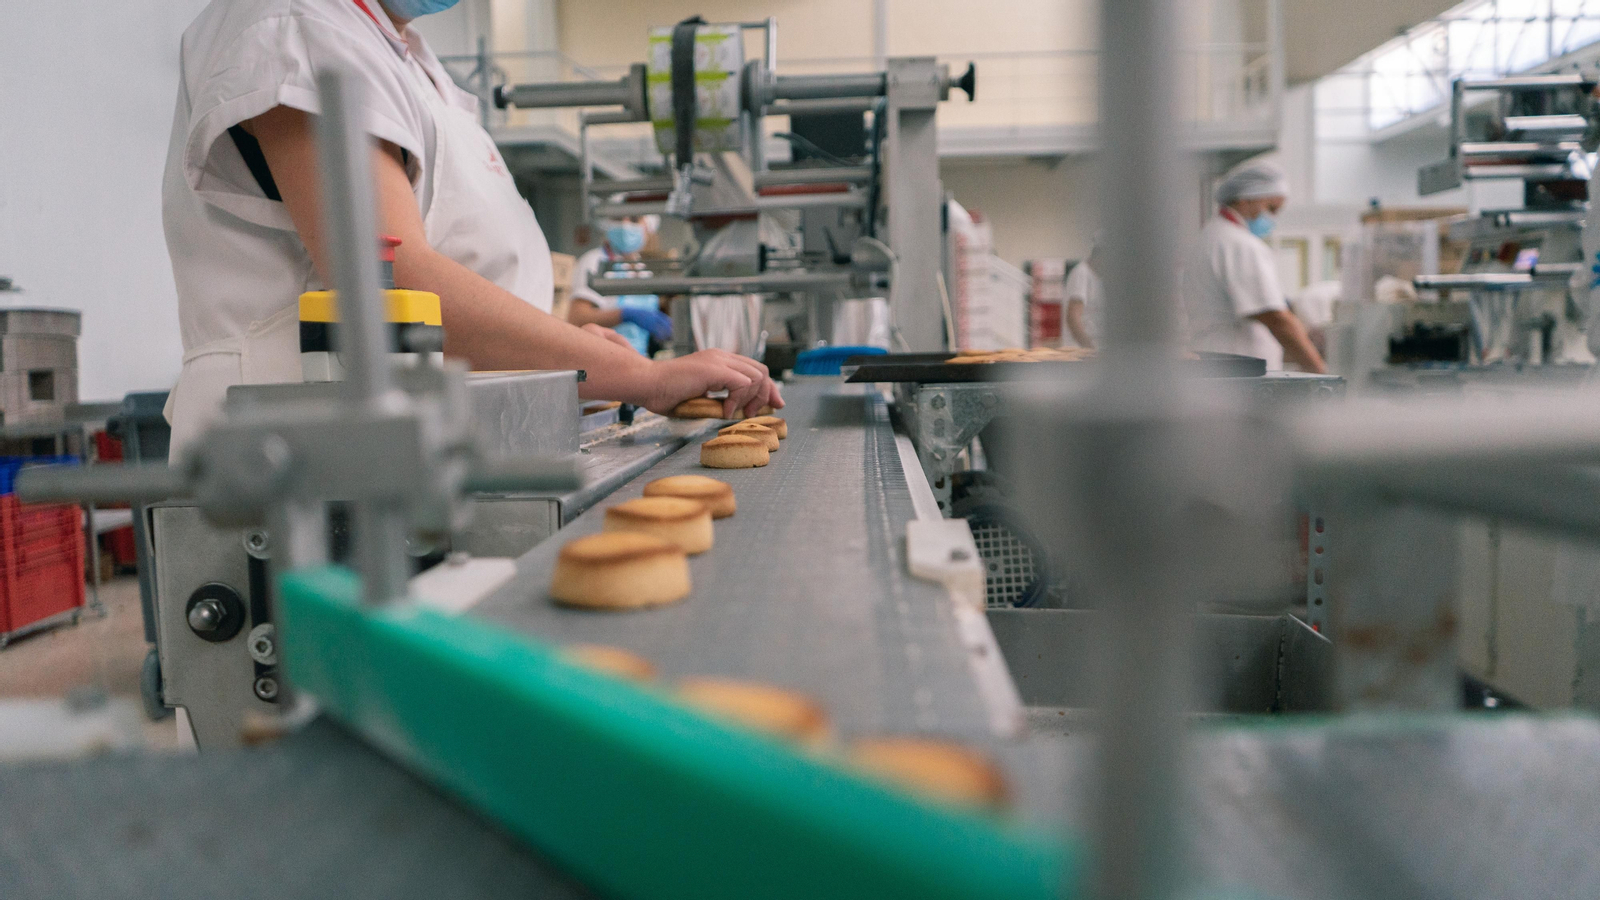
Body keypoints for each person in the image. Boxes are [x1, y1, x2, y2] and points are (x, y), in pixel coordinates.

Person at [161, 0, 778, 452]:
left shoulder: (404, 55)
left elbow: (463, 274)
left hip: (414, 443)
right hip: (305, 458)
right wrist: (640, 376)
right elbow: (392, 282)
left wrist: (570, 356)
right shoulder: (294, 24)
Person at [1183, 161, 1326, 373]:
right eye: (1271, 208)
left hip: (1219, 365)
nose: (1272, 219)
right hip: (1237, 373)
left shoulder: (1211, 236)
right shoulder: (1238, 244)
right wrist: (1320, 372)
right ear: (1245, 200)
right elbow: (1276, 319)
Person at [568, 214, 672, 356]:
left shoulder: (642, 270)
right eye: (618, 218)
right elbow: (577, 318)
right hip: (604, 358)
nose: (625, 225)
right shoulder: (595, 261)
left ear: (648, 226)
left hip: (638, 357)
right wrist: (625, 315)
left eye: (634, 219)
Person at [1063, 237, 1104, 350]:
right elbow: (1073, 318)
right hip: (1080, 350)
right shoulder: (1081, 274)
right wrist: (1090, 349)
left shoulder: (1100, 278)